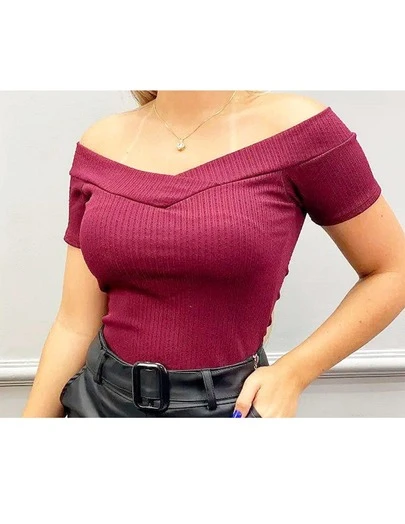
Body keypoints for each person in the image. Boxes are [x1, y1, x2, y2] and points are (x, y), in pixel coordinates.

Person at [22, 90, 405, 418]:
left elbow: (392, 269)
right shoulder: (100, 143)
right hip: (99, 401)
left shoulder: (300, 130)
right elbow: (75, 323)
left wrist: (294, 373)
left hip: (228, 407)